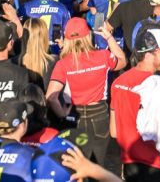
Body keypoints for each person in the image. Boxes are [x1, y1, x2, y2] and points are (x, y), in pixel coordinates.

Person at [46, 17, 126, 163]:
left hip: (74, 117)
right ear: (89, 35)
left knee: (74, 166)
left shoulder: (63, 63)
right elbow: (122, 60)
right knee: (97, 165)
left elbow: (51, 97)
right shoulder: (103, 56)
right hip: (100, 115)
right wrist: (109, 37)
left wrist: (62, 113)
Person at [111, 27, 160, 181]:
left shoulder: (118, 82)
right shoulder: (159, 85)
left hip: (131, 166)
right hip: (158, 166)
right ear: (148, 55)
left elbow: (114, 132)